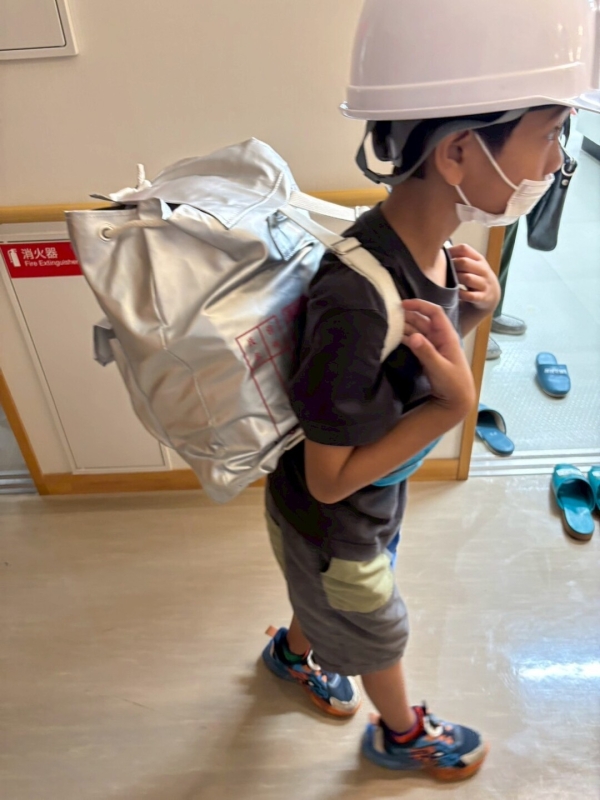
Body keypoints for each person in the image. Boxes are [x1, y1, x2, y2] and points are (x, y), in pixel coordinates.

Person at [261, 0, 599, 783]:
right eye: (550, 132)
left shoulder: (429, 251)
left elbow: (402, 370)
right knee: (378, 629)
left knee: (330, 598)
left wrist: (469, 315)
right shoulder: (356, 297)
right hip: (335, 521)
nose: (556, 159)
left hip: (368, 500)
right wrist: (454, 407)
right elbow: (328, 479)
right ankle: (400, 735)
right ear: (457, 152)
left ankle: (291, 652)